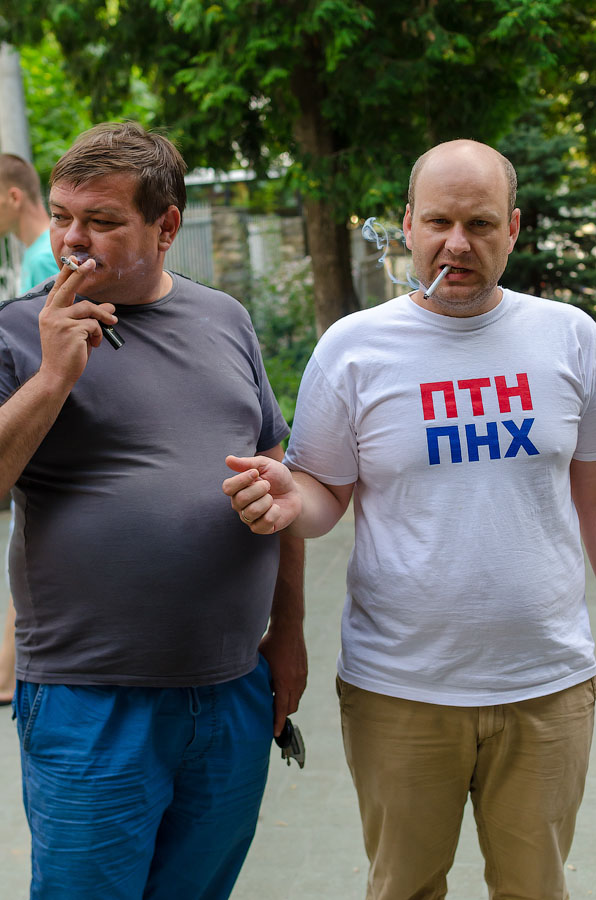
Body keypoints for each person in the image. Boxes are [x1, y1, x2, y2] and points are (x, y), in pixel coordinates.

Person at [223, 139, 596, 899]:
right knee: (404, 889)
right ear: (407, 226)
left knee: (537, 889)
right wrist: (293, 499)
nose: (457, 244)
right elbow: (323, 495)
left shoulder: (571, 337)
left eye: (480, 224)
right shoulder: (354, 348)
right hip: (401, 688)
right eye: (438, 222)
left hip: (546, 683)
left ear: (513, 228)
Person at [0, 121, 306, 900]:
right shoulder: (17, 331)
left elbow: (278, 479)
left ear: (166, 226)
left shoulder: (225, 318)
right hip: (90, 702)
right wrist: (52, 378)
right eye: (63, 216)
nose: (72, 239)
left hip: (231, 689)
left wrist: (290, 634)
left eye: (101, 221)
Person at [0, 154, 59, 706]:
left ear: (13, 196)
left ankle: (6, 676)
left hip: (42, 435)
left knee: (30, 547)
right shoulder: (34, 253)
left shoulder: (46, 257)